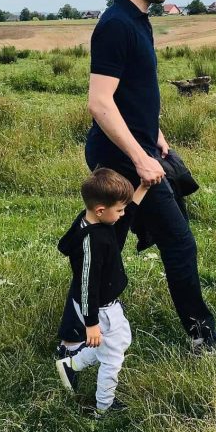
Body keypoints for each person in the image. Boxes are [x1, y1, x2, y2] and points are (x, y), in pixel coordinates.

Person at [84, 0, 216, 353]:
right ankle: (203, 338)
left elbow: (133, 89)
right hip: (122, 159)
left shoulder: (138, 19)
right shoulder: (115, 25)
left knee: (105, 247)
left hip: (136, 148)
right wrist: (140, 158)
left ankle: (78, 332)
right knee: (178, 242)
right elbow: (100, 103)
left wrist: (152, 130)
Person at [55, 168, 149, 417]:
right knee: (113, 356)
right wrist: (91, 324)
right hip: (99, 309)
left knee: (119, 341)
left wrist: (143, 187)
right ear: (100, 210)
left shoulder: (93, 219)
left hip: (106, 305)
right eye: (119, 210)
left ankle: (72, 364)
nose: (122, 214)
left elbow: (126, 217)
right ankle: (104, 408)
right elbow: (87, 285)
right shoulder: (91, 243)